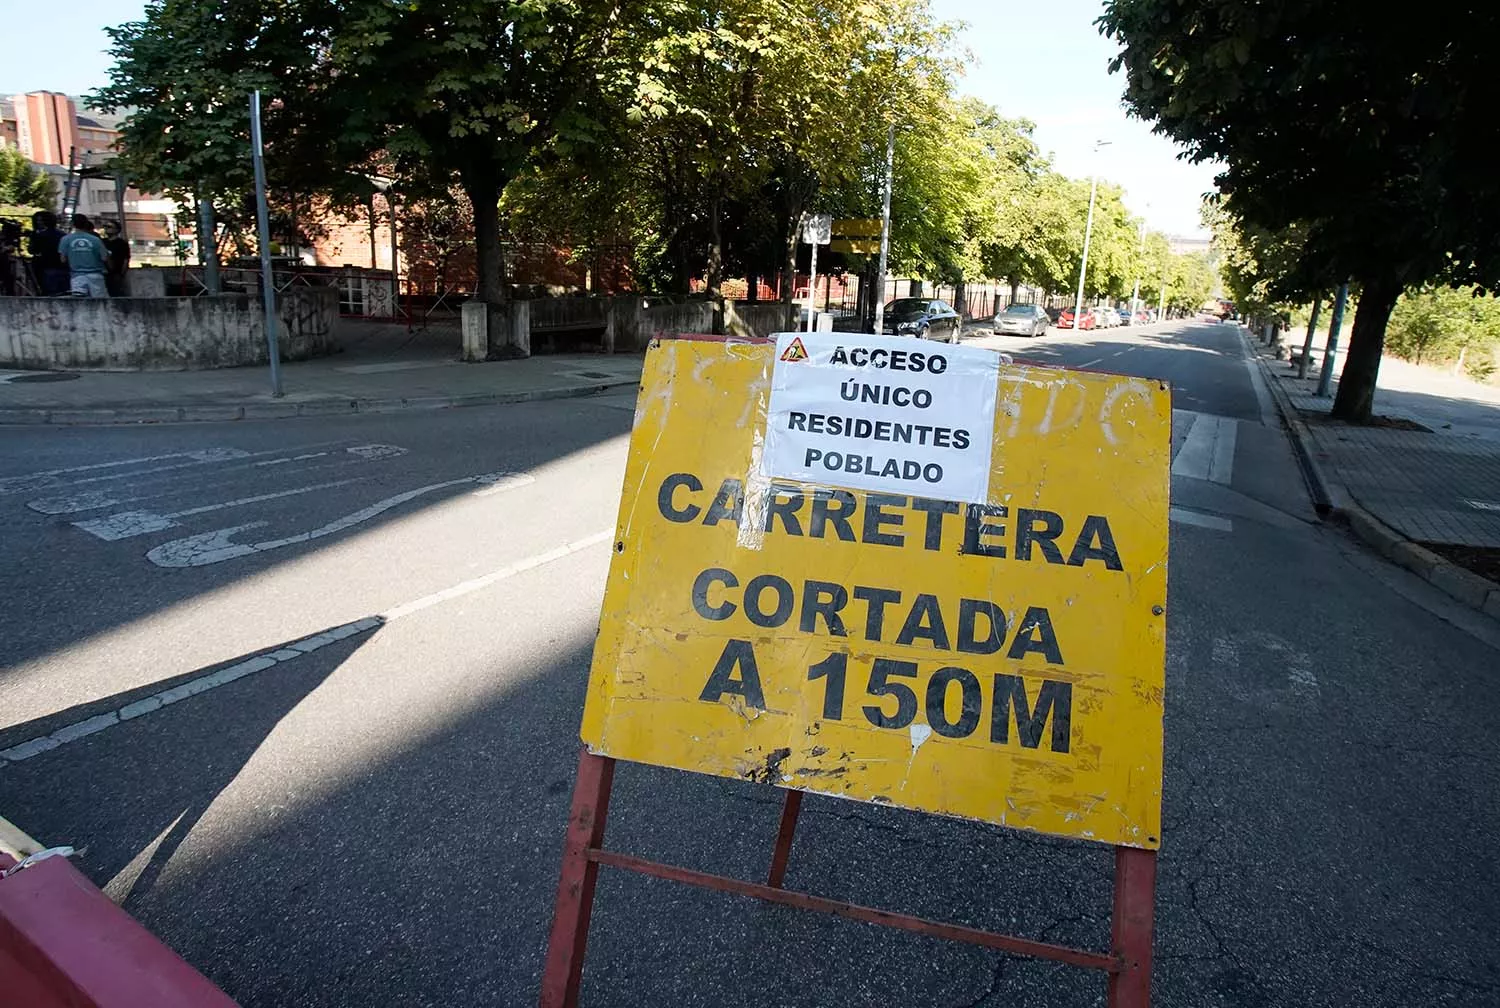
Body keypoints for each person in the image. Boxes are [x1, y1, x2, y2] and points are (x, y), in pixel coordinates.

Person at [58, 214, 110, 298]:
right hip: (96, 275)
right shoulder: (95, 239)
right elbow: (104, 257)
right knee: (100, 303)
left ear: (72, 224)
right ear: (86, 223)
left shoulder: (65, 239)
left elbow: (63, 259)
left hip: (77, 276)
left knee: (79, 303)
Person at [27, 211, 68, 296]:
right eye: (37, 221)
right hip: (45, 265)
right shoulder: (36, 234)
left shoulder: (51, 235)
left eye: (41, 221)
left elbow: (33, 250)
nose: (39, 223)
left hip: (49, 265)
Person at [100, 220, 130, 297]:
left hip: (116, 273)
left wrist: (122, 274)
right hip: (103, 273)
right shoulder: (102, 242)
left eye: (109, 227)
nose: (106, 229)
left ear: (117, 230)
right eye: (105, 227)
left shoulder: (122, 243)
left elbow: (126, 259)